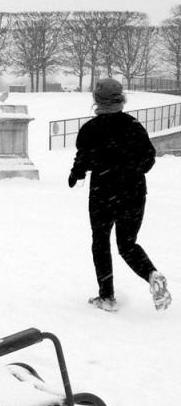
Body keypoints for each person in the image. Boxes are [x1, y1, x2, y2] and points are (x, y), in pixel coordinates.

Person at [68, 78, 171, 312]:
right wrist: (131, 171)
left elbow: (83, 158)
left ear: (96, 100)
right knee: (127, 244)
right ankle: (152, 274)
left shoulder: (91, 129)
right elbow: (149, 158)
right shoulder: (134, 126)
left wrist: (76, 174)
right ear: (121, 99)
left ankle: (107, 296)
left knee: (101, 242)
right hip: (133, 192)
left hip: (103, 193)